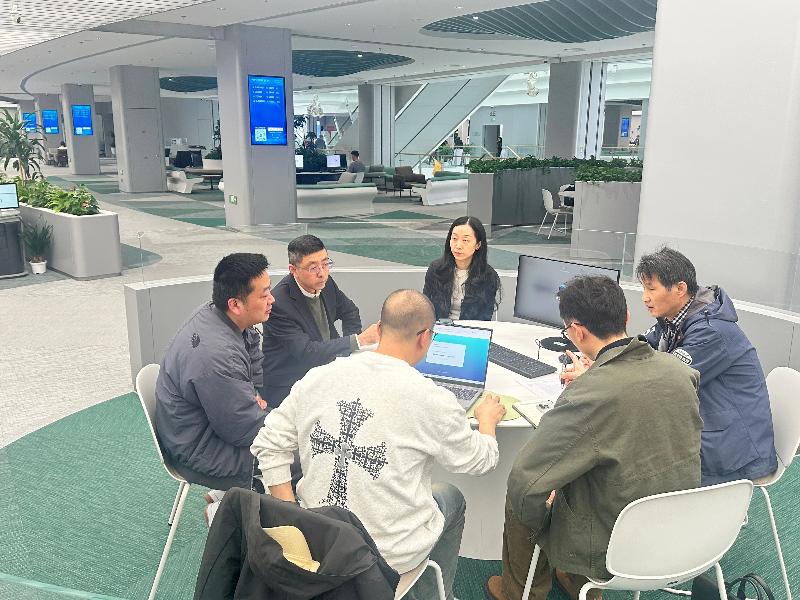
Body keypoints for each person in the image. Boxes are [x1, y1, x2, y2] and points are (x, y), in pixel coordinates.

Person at [252, 289, 506, 600]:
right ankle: (438, 594)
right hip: (386, 558)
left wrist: (292, 517)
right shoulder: (432, 399)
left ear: (380, 329)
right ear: (425, 338)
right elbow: (480, 461)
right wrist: (487, 421)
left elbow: (268, 443)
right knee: (451, 496)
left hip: (317, 540)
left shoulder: (317, 377)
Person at [486, 275, 702, 600]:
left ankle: (522, 592)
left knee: (525, 493)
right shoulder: (682, 373)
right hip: (680, 530)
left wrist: (543, 522)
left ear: (577, 331)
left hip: (610, 544)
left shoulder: (587, 395)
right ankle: (579, 584)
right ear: (626, 316)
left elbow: (526, 483)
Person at [636, 246, 778, 485]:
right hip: (715, 428)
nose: (645, 297)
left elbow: (664, 379)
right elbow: (643, 347)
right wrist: (609, 357)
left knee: (637, 460)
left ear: (680, 289)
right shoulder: (675, 317)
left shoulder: (711, 331)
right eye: (643, 288)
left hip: (736, 453)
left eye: (651, 289)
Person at [155, 253, 273, 519]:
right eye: (264, 294)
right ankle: (225, 512)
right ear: (236, 304)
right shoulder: (219, 355)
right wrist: (291, 427)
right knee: (299, 453)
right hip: (199, 450)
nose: (271, 300)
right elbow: (243, 430)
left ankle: (232, 495)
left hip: (194, 429)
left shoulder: (216, 313)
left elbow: (251, 347)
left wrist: (252, 393)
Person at [260, 235, 379, 408]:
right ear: (293, 270)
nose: (322, 273)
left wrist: (352, 354)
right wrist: (357, 341)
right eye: (313, 268)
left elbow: (350, 312)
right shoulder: (279, 304)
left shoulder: (325, 283)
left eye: (325, 264)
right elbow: (307, 352)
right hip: (291, 386)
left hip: (326, 370)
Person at [423, 216, 501, 321]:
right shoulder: (436, 269)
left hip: (471, 328)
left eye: (465, 240)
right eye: (454, 238)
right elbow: (426, 307)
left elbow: (484, 317)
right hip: (439, 327)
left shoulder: (488, 276)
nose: (458, 246)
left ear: (478, 245)